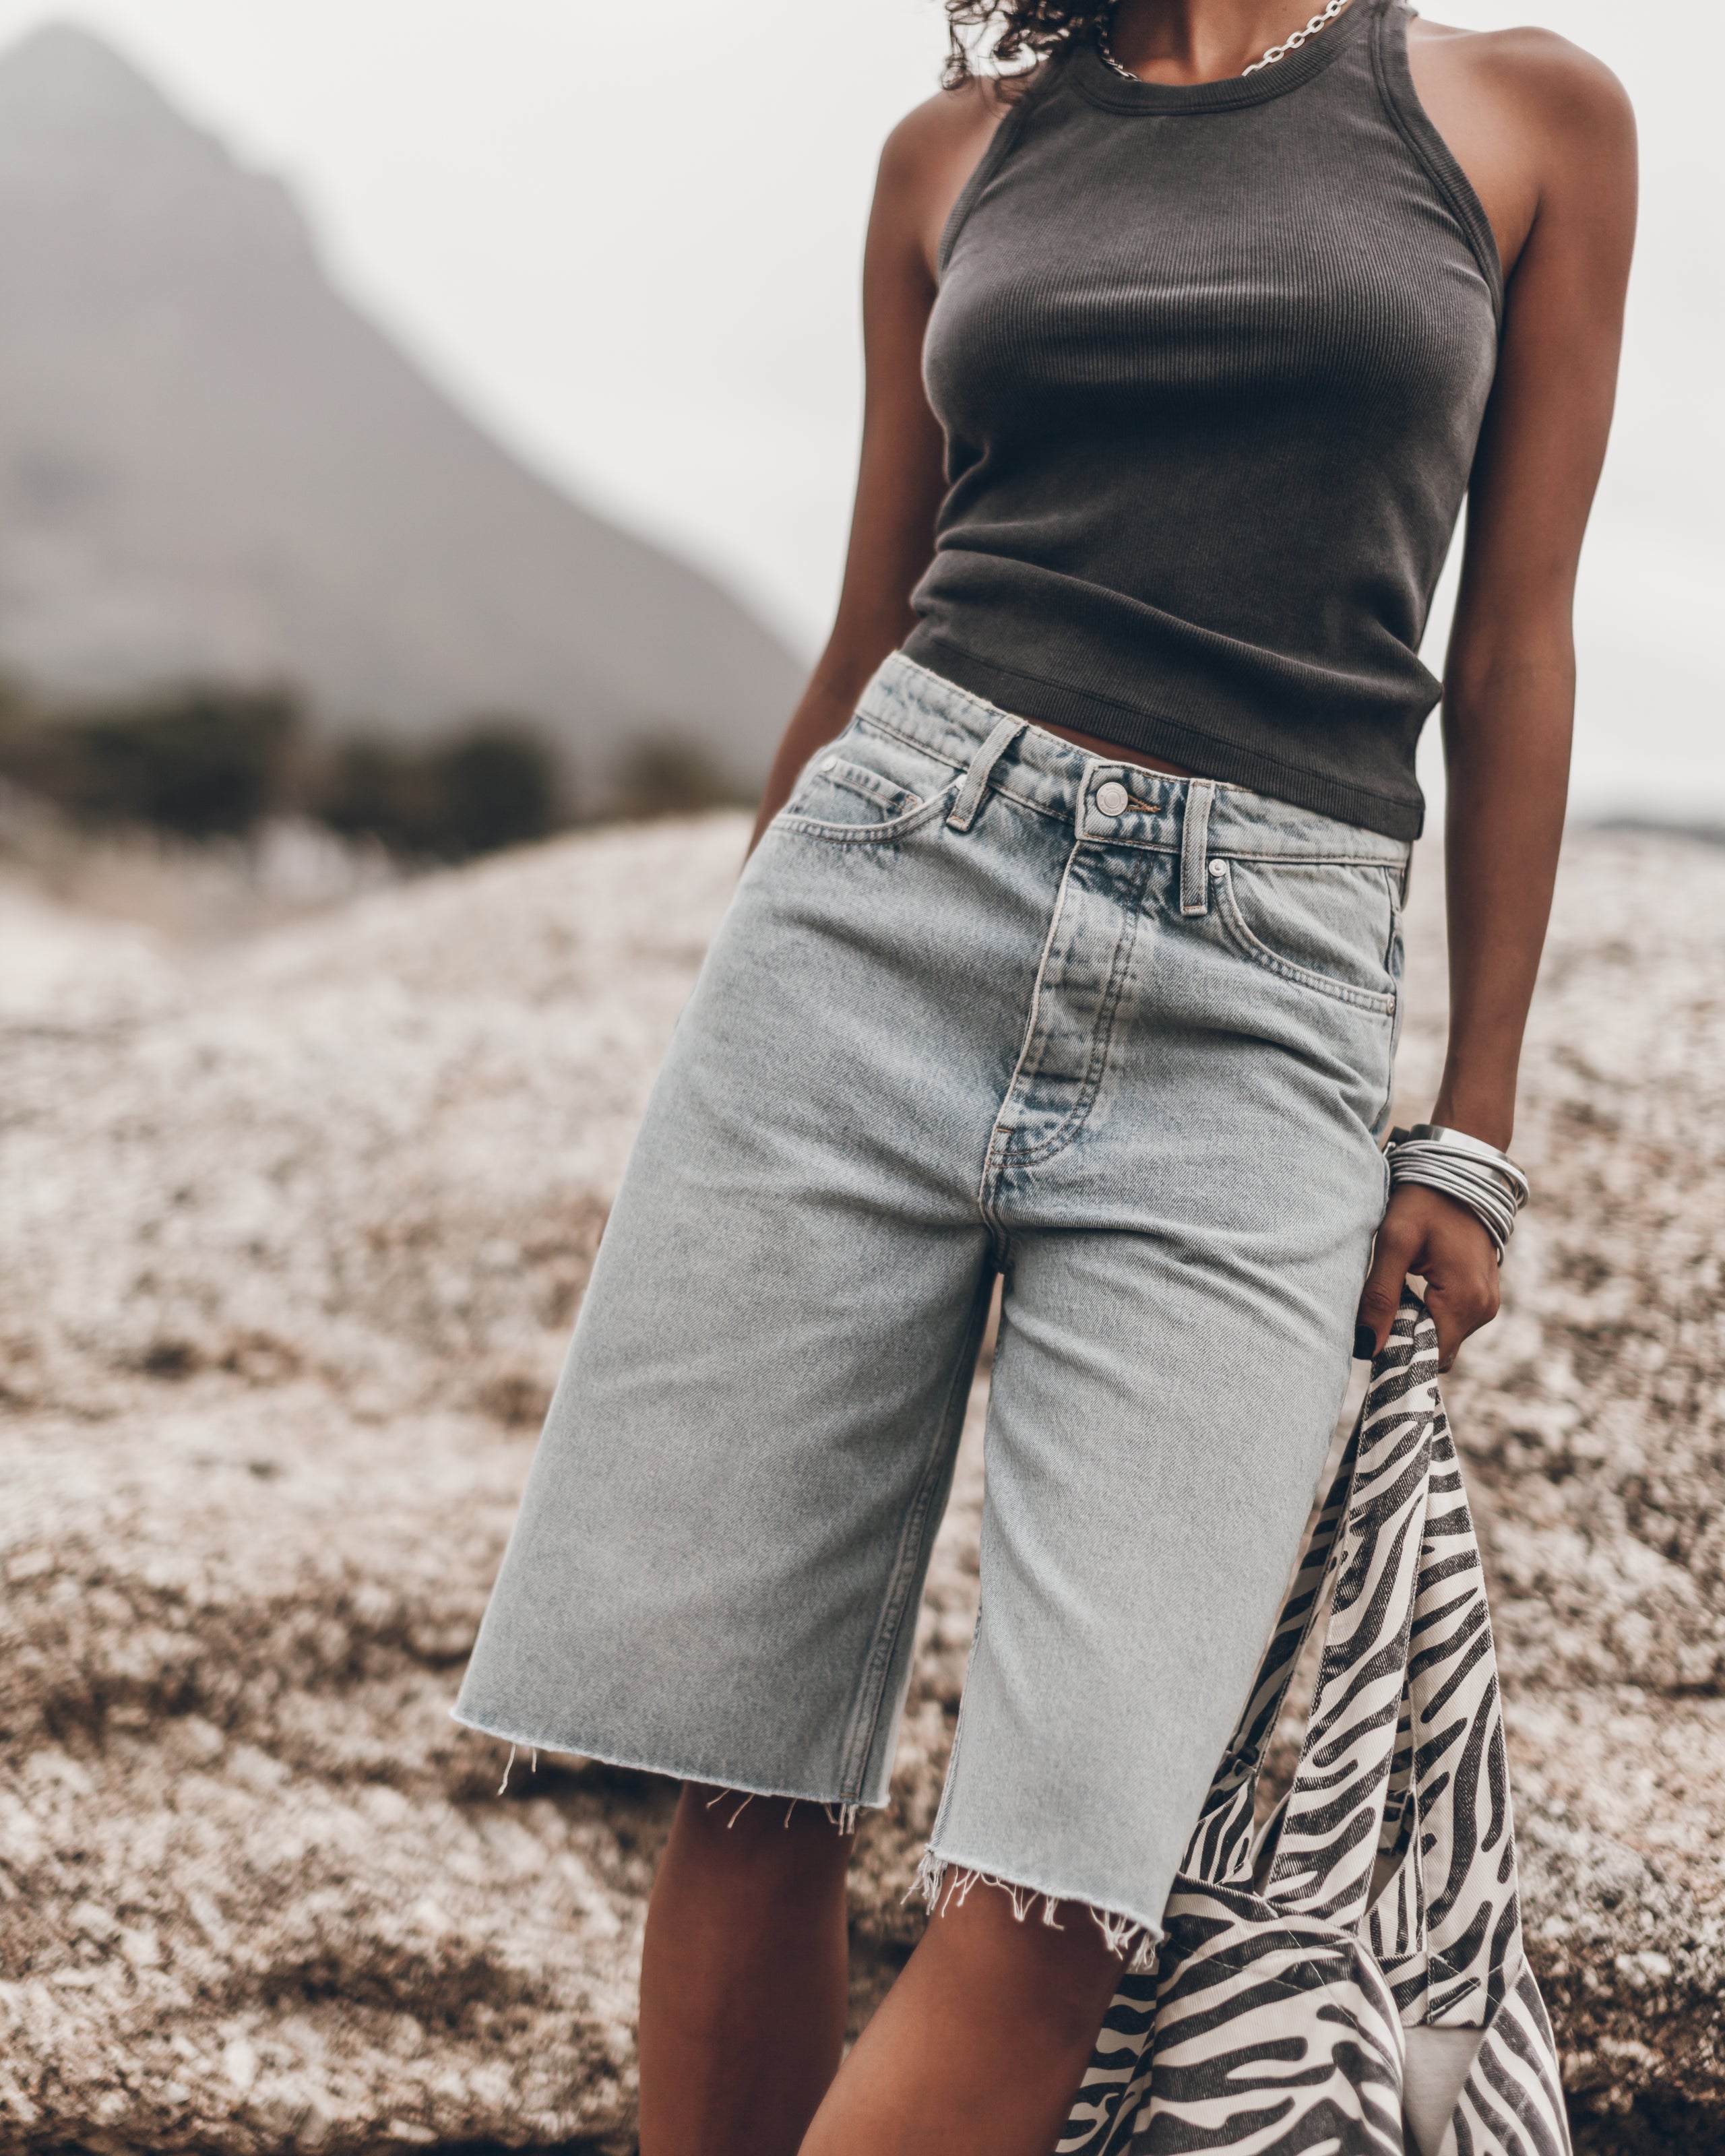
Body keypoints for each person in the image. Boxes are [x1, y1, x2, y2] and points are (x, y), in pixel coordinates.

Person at [454, 3, 1635, 2150]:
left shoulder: (1525, 114)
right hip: (876, 919)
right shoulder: (951, 158)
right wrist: (737, 1004)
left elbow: (1516, 644)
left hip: (1263, 984)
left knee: (1067, 1860)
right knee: (746, 1755)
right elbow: (863, 628)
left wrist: (1475, 1124)